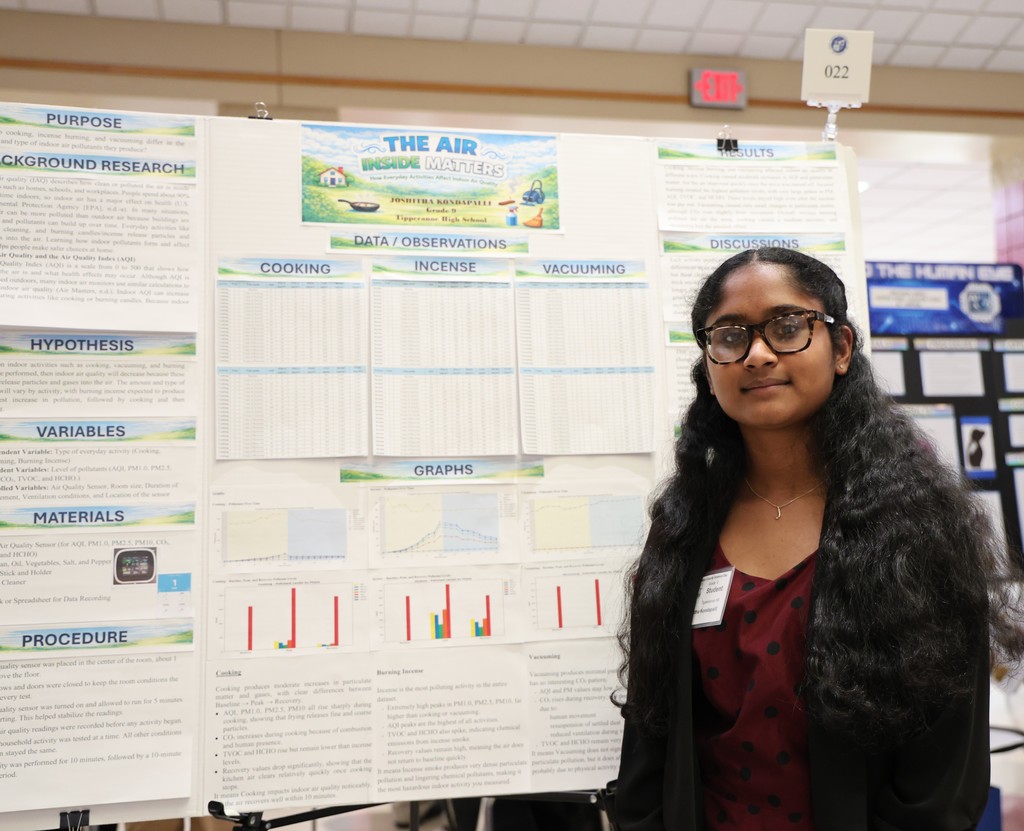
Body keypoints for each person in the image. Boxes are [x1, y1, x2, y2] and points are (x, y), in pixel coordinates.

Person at [613, 247, 1024, 830]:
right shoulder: (686, 522)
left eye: (787, 328)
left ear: (842, 348)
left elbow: (942, 778)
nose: (757, 354)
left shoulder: (915, 526)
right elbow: (652, 732)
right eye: (730, 336)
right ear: (709, 363)